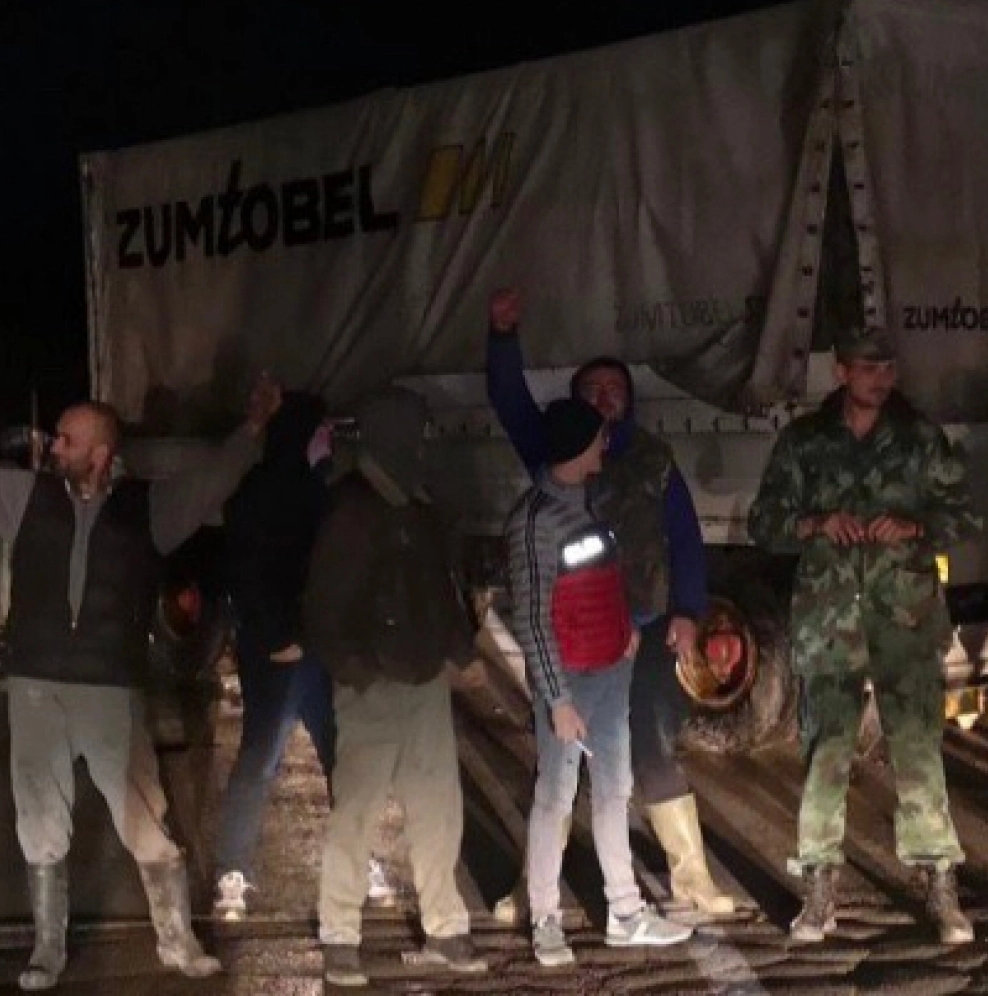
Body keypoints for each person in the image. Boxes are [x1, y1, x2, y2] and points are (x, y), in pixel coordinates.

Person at [0, 353, 256, 989]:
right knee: (40, 818)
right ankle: (47, 949)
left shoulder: (149, 509)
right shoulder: (27, 498)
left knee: (144, 817)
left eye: (66, 440)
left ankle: (179, 942)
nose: (53, 447)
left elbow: (216, 478)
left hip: (111, 689)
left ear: (100, 452)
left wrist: (254, 430)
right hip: (36, 686)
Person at [485, 287, 735, 917]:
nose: (604, 397)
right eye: (592, 389)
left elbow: (684, 536)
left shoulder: (653, 458)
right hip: (573, 639)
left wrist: (687, 611)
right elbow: (510, 403)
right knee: (559, 764)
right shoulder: (558, 452)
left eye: (614, 388)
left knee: (649, 747)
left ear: (629, 399)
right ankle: (533, 889)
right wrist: (503, 338)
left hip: (642, 628)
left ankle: (692, 878)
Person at [746, 326, 979, 946]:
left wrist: (913, 526)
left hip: (904, 619)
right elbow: (764, 523)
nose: (880, 378)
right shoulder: (805, 442)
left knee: (918, 751)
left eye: (887, 368)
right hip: (829, 620)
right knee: (825, 752)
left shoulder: (920, 440)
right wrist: (816, 523)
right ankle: (819, 889)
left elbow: (964, 515)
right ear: (842, 371)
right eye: (868, 367)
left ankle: (940, 884)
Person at [304, 385, 489, 986]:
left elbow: (441, 593)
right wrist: (358, 672)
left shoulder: (419, 507)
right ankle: (339, 936)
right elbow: (324, 609)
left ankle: (447, 928)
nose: (422, 443)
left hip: (424, 684)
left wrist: (461, 652)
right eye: (416, 432)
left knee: (439, 812)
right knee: (355, 814)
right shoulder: (351, 512)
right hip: (373, 690)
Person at [506, 398, 695, 967]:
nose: (605, 447)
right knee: (555, 798)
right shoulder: (534, 521)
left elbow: (605, 581)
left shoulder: (591, 501)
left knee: (615, 790)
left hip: (611, 671)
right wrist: (557, 699)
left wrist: (624, 633)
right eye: (597, 439)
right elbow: (532, 617)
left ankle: (626, 913)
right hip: (570, 682)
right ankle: (545, 919)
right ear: (577, 447)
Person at [210, 390, 358, 920]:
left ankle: (354, 855)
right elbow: (250, 572)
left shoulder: (288, 488)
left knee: (333, 752)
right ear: (302, 436)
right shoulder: (285, 493)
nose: (329, 441)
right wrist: (280, 637)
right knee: (264, 754)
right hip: (283, 650)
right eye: (322, 431)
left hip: (303, 647)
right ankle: (232, 868)